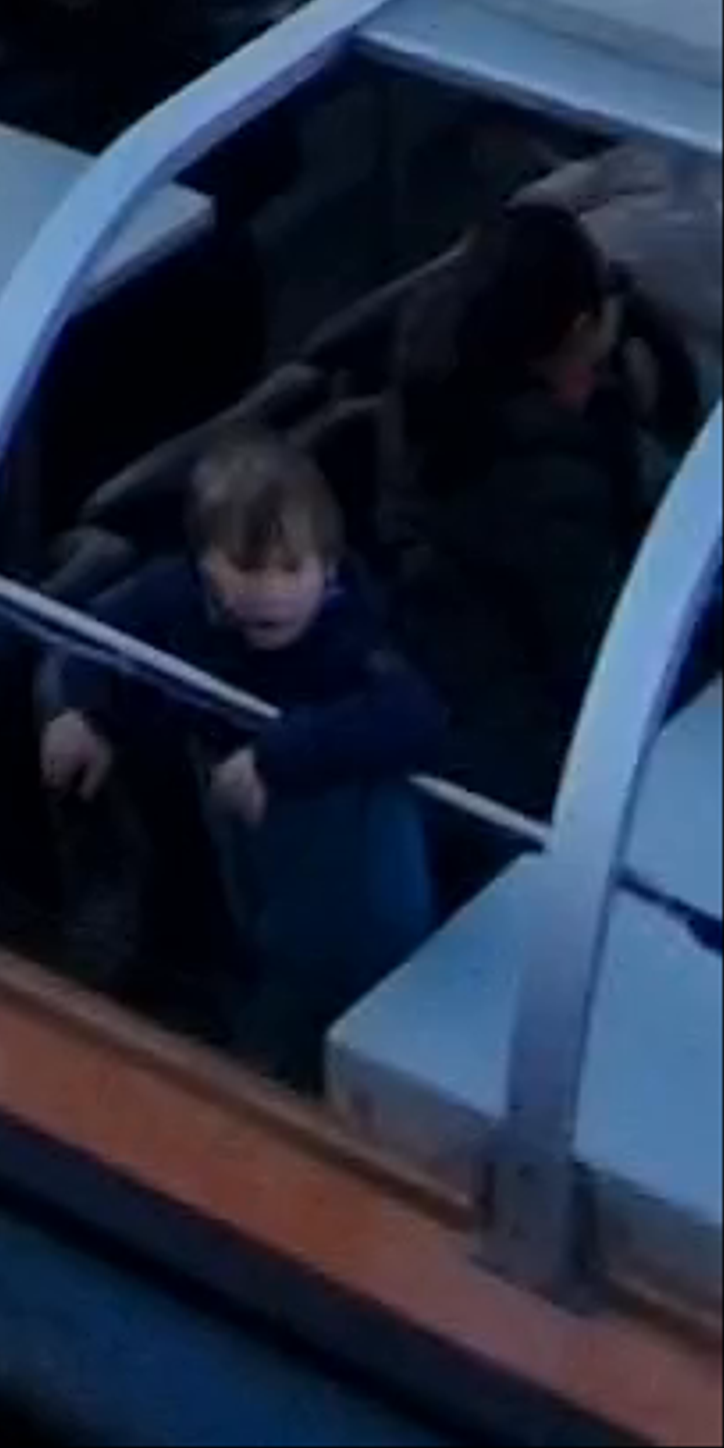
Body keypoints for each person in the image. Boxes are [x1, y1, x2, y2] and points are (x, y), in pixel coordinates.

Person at [38, 430, 440, 1077]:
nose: (271, 591)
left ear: (329, 568)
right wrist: (85, 708)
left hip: (345, 877)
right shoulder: (178, 595)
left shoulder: (352, 637)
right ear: (206, 565)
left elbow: (414, 716)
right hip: (242, 861)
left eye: (292, 567)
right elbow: (102, 632)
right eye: (249, 567)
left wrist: (277, 754)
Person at [386, 201, 695, 830]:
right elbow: (611, 664)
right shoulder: (542, 490)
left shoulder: (443, 373)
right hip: (534, 750)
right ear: (578, 330)